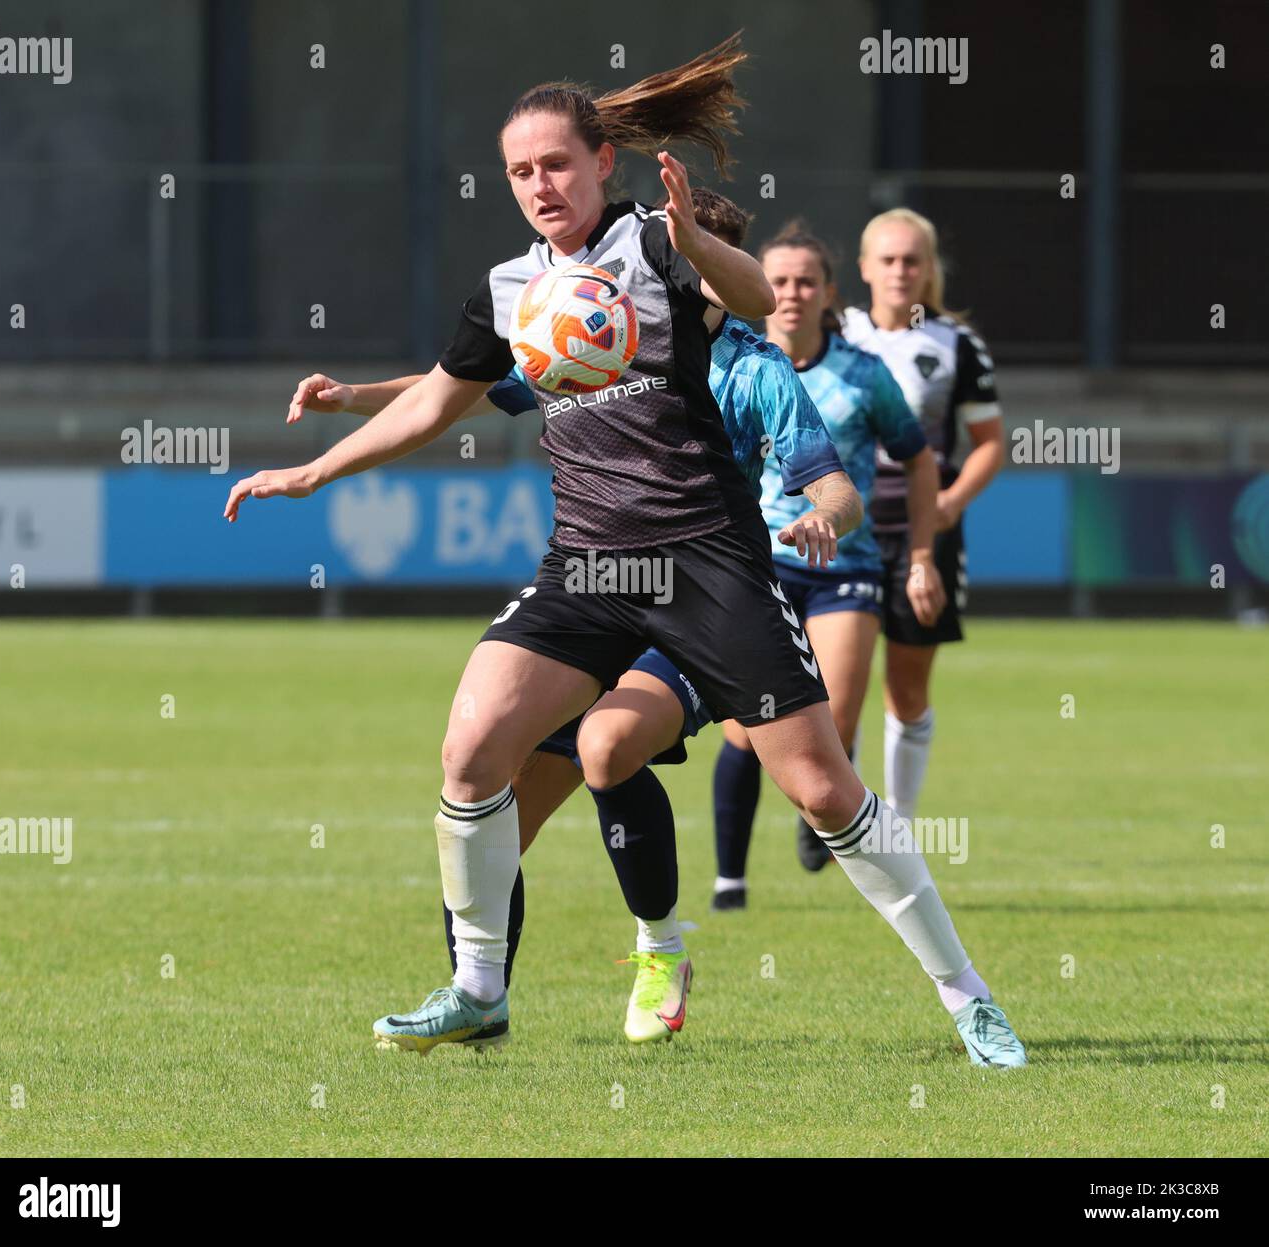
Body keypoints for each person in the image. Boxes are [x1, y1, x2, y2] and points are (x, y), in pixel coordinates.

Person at [225, 37, 1026, 1068]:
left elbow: (749, 304)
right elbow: (438, 396)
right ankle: (478, 986)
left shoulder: (655, 246)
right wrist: (313, 471)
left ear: (603, 161)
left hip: (709, 560)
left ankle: (967, 996)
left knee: (824, 789)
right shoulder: (512, 290)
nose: (538, 185)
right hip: (590, 566)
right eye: (520, 170)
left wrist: (695, 241)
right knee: (472, 747)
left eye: (555, 163)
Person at [287, 187, 861, 1043]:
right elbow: (475, 387)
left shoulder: (753, 367)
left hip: (704, 596)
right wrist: (353, 396)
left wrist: (824, 513)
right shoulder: (601, 338)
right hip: (601, 591)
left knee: (608, 747)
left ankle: (662, 948)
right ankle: (477, 1000)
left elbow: (837, 484)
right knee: (496, 816)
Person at [711, 220, 945, 895]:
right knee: (744, 724)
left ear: (828, 293)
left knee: (834, 719)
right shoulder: (729, 362)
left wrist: (923, 551)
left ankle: (820, 815)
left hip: (847, 566)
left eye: (805, 280)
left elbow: (918, 460)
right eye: (778, 280)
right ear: (756, 285)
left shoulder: (865, 375)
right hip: (761, 562)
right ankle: (730, 880)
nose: (790, 292)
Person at [843, 209, 1004, 820]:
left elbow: (990, 441)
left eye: (913, 260)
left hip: (921, 529)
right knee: (837, 684)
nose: (900, 271)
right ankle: (837, 811)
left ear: (930, 268)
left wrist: (950, 504)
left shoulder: (957, 345)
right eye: (887, 259)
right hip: (845, 528)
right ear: (864, 267)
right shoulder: (837, 335)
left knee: (906, 688)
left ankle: (899, 827)